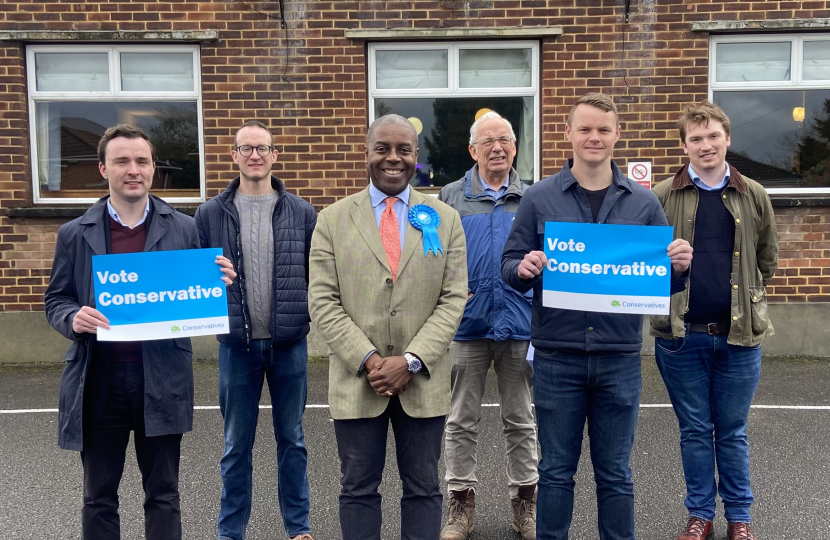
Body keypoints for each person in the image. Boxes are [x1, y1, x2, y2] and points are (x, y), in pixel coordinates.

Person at [500, 93, 693, 540]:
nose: (594, 137)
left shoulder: (643, 204)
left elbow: (656, 283)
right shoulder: (538, 198)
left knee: (616, 475)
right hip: (556, 357)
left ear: (617, 135)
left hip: (619, 358)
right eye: (585, 128)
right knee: (554, 473)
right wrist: (523, 269)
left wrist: (679, 269)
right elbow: (509, 266)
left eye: (603, 130)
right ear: (567, 134)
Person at [44, 124, 235, 540]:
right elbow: (55, 300)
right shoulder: (74, 233)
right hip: (99, 379)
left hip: (161, 377)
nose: (134, 170)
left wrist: (216, 281)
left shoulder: (184, 228)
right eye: (122, 161)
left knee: (164, 495)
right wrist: (72, 318)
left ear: (152, 169)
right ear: (103, 169)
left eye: (142, 161)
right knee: (98, 497)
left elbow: (195, 288)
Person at [308, 114, 468, 540]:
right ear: (367, 153)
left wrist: (411, 360)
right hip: (358, 380)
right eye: (382, 148)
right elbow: (322, 300)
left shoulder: (446, 219)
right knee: (358, 489)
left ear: (416, 156)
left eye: (403, 149)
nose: (392, 158)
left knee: (424, 489)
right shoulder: (332, 219)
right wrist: (371, 359)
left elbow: (454, 298)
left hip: (424, 381)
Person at [650, 101, 778, 540]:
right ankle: (700, 515)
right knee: (694, 432)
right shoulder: (663, 195)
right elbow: (647, 262)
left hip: (740, 337)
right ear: (684, 144)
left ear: (727, 139)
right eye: (696, 138)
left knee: (733, 431)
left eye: (713, 136)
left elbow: (767, 259)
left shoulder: (753, 194)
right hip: (680, 338)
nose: (706, 145)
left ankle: (739, 518)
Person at [194, 120, 317, 540]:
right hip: (236, 347)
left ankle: (298, 528)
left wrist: (305, 318)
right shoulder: (210, 213)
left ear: (274, 154)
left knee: (293, 442)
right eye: (245, 149)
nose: (254, 155)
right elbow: (195, 278)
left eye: (262, 148)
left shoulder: (301, 211)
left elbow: (315, 274)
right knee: (234, 447)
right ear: (234, 156)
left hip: (289, 345)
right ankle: (230, 532)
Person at [437, 111, 538, 540]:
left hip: (520, 322)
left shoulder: (534, 197)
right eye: (488, 140)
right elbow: (434, 260)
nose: (497, 147)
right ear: (472, 149)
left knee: (521, 418)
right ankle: (460, 504)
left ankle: (525, 505)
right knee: (460, 419)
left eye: (505, 139)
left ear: (515, 147)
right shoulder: (449, 198)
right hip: (466, 325)